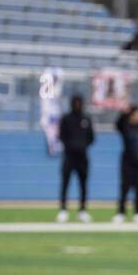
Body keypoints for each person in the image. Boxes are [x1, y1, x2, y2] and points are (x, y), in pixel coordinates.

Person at [57, 95, 94, 223]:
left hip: (82, 157)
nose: (78, 105)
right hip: (69, 156)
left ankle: (82, 210)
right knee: (65, 183)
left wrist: (82, 146)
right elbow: (61, 136)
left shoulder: (86, 119)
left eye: (80, 103)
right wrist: (71, 146)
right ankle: (63, 209)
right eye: (75, 103)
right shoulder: (66, 119)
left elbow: (91, 137)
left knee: (83, 184)